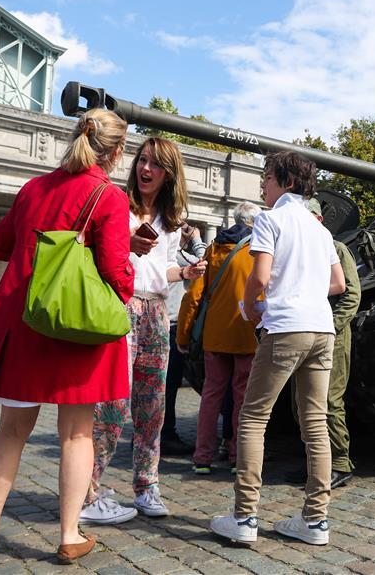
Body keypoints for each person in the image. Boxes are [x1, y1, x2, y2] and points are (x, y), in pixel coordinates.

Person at [0, 108, 134, 565]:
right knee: (76, 435)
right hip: (76, 331)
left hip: (22, 324)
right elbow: (116, 270)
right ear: (116, 153)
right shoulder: (108, 195)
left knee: (11, 430)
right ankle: (69, 534)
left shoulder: (33, 188)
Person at [210, 151, 345, 546]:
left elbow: (261, 277)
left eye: (267, 178)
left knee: (252, 418)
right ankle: (316, 521)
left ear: (285, 181)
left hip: (285, 326)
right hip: (322, 329)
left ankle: (245, 517)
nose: (263, 186)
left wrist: (253, 308)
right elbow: (337, 283)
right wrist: (304, 291)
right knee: (315, 424)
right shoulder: (322, 232)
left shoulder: (271, 219)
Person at [80, 137, 206, 526]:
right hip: (120, 305)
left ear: (169, 173)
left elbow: (162, 269)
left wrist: (185, 272)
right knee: (112, 406)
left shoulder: (171, 219)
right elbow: (94, 250)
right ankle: (88, 490)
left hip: (156, 312)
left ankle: (146, 484)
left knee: (152, 406)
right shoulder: (118, 204)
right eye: (142, 161)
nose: (145, 169)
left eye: (155, 164)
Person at [177, 201, 261, 475]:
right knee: (242, 398)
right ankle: (237, 455)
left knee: (211, 396)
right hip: (247, 331)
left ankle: (202, 457)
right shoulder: (259, 250)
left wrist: (184, 334)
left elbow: (194, 295)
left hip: (215, 333)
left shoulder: (214, 248)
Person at [286, 198, 361, 488]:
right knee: (300, 404)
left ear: (317, 220)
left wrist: (327, 327)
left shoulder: (337, 250)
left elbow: (351, 295)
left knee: (328, 402)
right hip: (304, 333)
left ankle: (340, 463)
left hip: (333, 336)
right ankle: (314, 464)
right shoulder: (303, 253)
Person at [160, 223, 206, 456]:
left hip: (160, 321)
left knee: (158, 385)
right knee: (169, 384)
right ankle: (165, 434)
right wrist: (196, 238)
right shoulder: (176, 257)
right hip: (170, 325)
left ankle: (151, 432)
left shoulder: (160, 251)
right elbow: (205, 261)